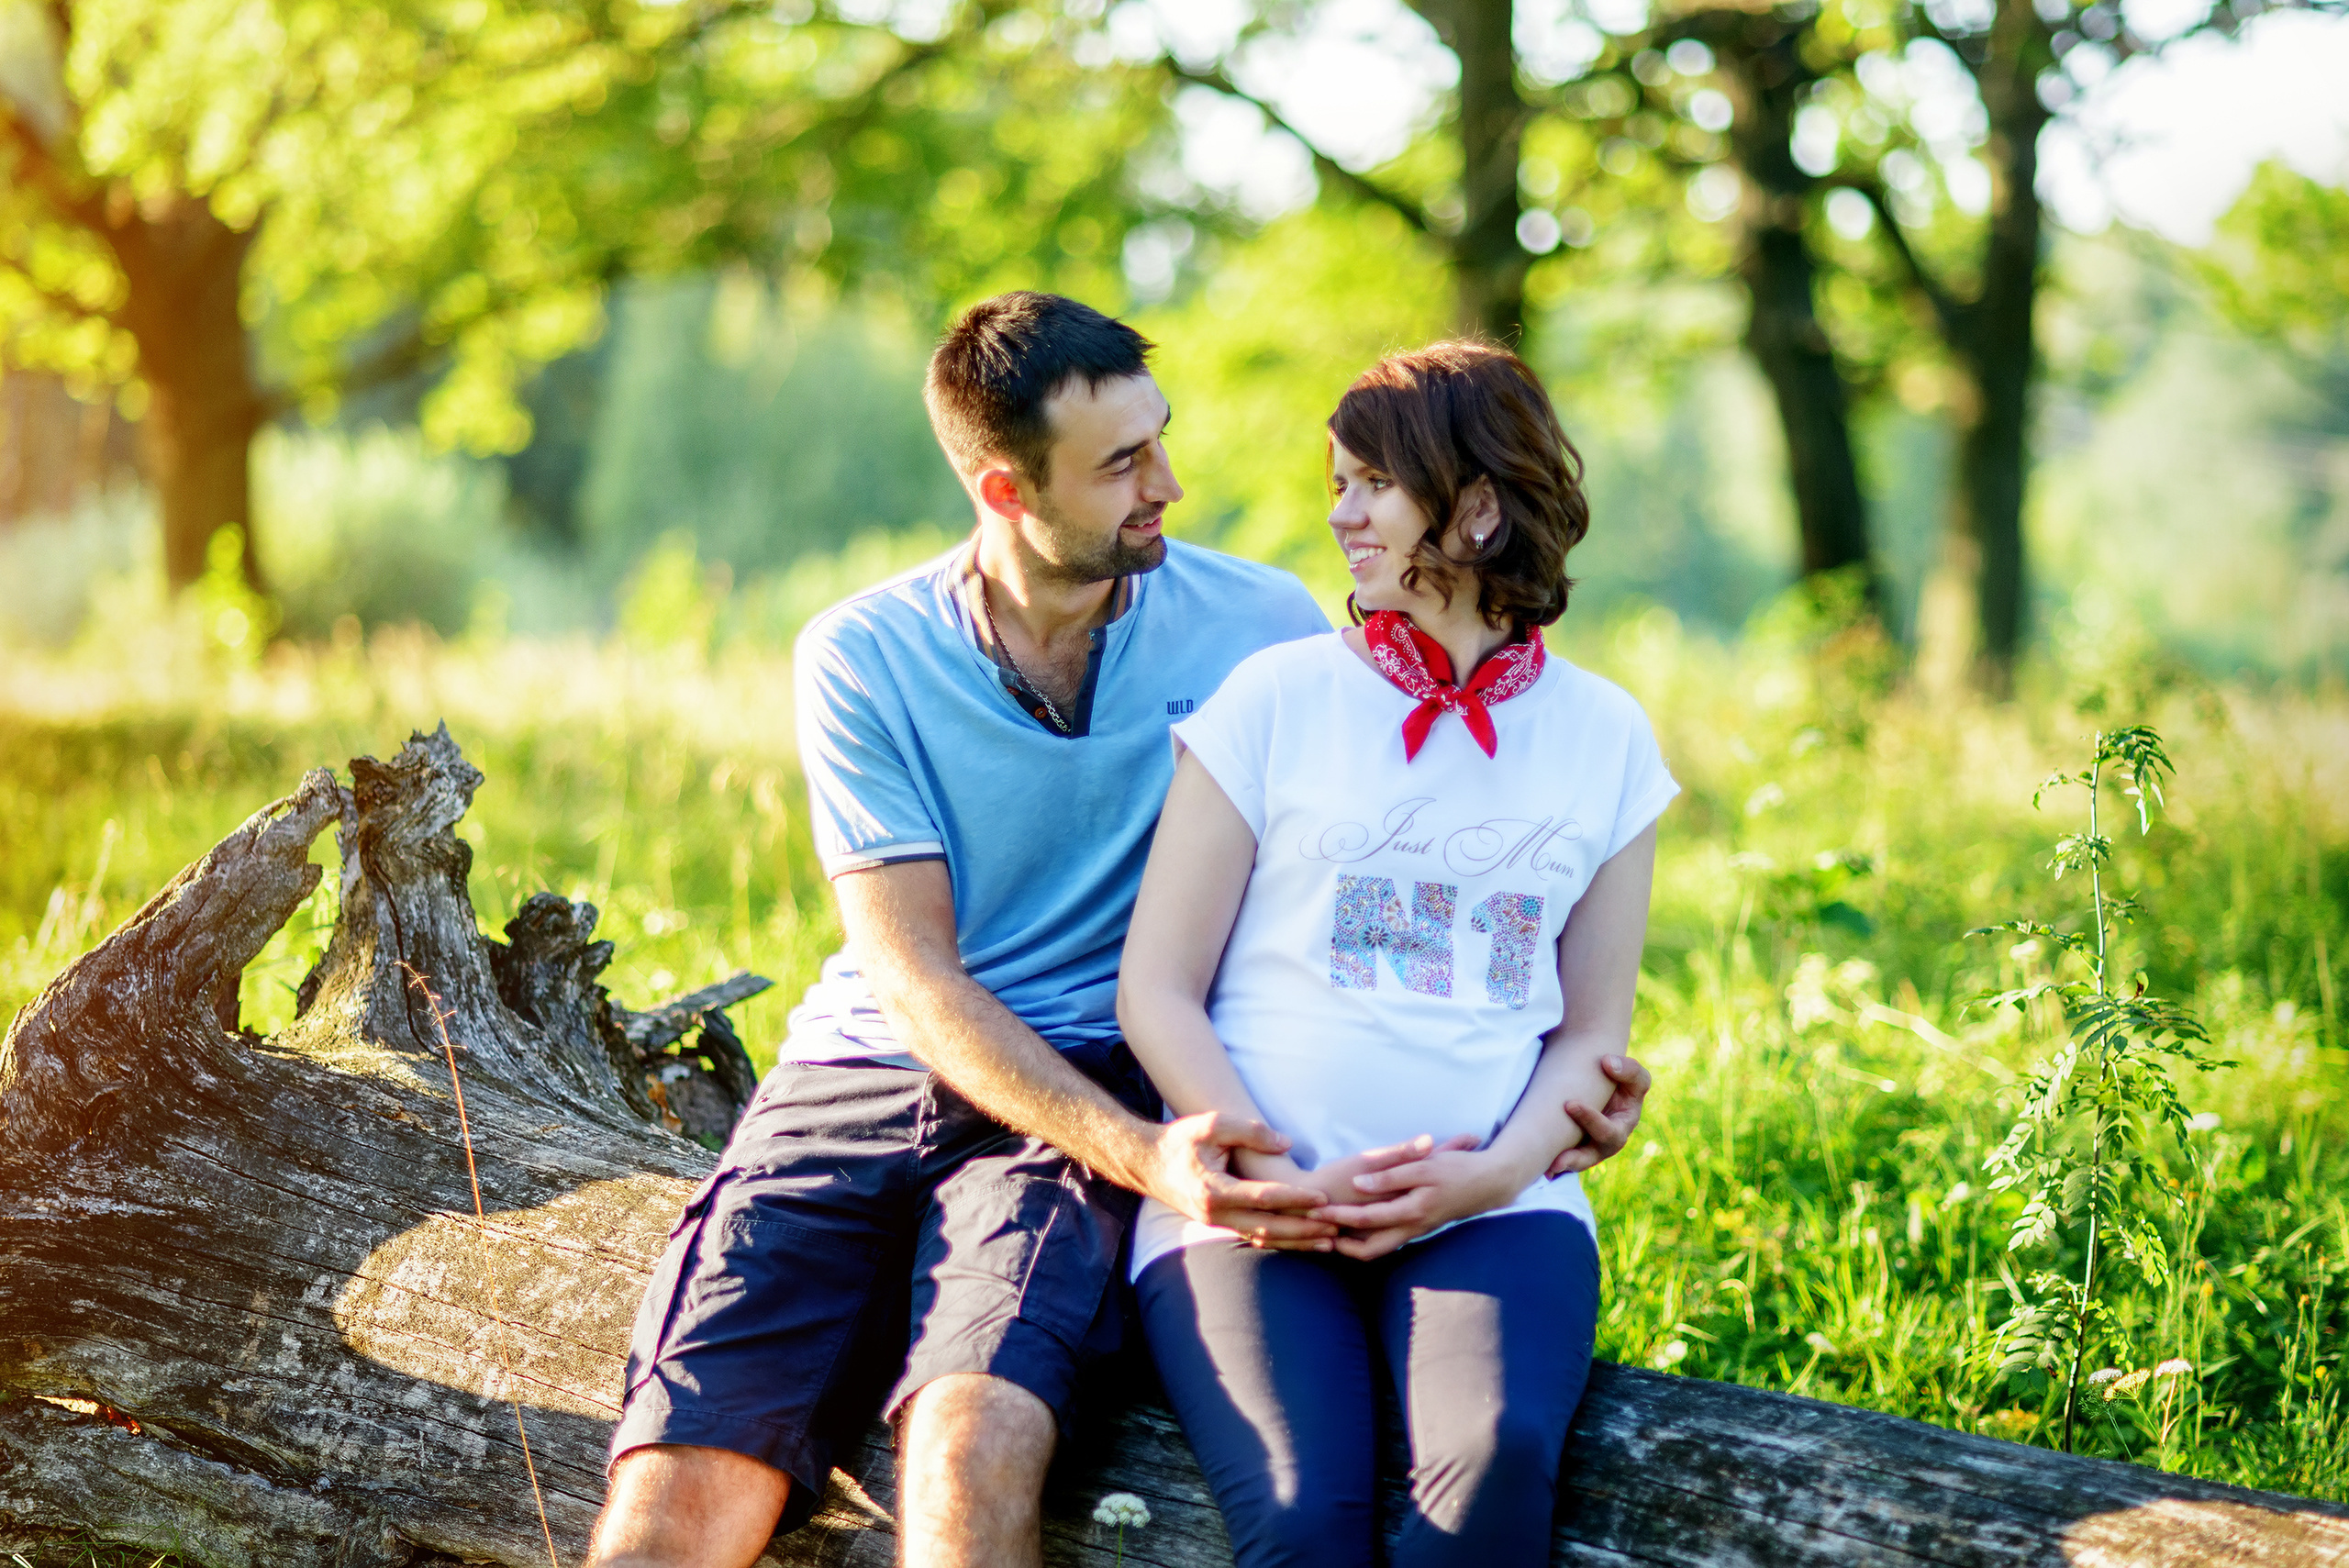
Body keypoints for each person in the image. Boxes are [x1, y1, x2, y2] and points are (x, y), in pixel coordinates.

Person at [584, 296, 1656, 1568]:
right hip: (873, 1078)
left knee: (973, 1447)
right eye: (1122, 464)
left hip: (1086, 1093)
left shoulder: (1264, 627)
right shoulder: (863, 652)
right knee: (671, 1501)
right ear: (1003, 486)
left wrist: (1556, 1092)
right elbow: (915, 974)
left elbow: (1392, 841)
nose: (1171, 482)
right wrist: (1161, 1160)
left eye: (1159, 438)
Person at [1118, 341, 1675, 1568]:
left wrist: (1489, 1177)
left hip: (1498, 1213)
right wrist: (1269, 1169)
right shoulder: (1272, 700)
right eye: (1339, 481)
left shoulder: (1606, 736)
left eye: (1372, 482)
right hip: (1254, 1214)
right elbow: (1155, 987)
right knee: (1304, 1511)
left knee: (1485, 1479)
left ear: (1476, 506)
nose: (1341, 512)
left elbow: (1592, 1034)